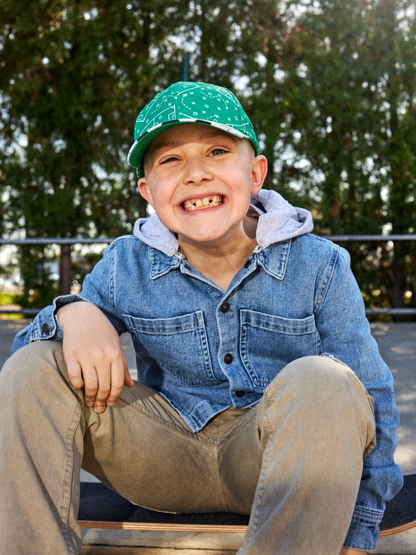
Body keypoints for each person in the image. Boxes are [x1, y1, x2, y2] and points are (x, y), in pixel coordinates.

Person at [0, 81, 403, 555]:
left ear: (255, 174)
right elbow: (27, 369)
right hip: (160, 458)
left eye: (216, 151)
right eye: (171, 160)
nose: (195, 174)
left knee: (327, 380)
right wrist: (74, 311)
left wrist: (359, 530)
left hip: (273, 463)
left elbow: (372, 398)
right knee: (34, 365)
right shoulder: (125, 264)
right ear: (148, 191)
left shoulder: (321, 265)